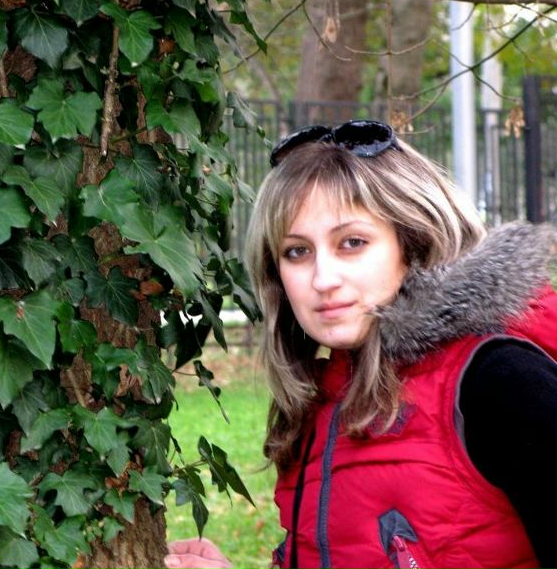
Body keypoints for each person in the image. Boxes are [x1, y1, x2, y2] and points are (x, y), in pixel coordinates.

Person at [164, 120, 557, 569]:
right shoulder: (318, 403)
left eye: (352, 243)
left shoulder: (500, 383)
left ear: (413, 243)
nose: (322, 279)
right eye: (297, 251)